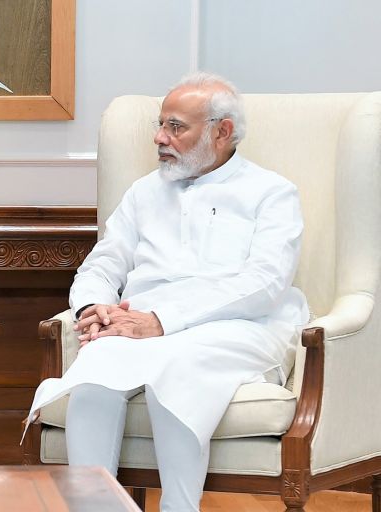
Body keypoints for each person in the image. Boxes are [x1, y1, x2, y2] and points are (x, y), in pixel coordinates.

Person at [25, 72, 308, 512]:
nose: (160, 137)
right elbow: (102, 264)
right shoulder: (144, 192)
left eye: (176, 127)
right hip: (139, 324)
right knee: (96, 367)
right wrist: (94, 307)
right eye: (161, 125)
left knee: (178, 367)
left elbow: (264, 284)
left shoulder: (270, 192)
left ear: (222, 131)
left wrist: (161, 321)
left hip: (238, 327)